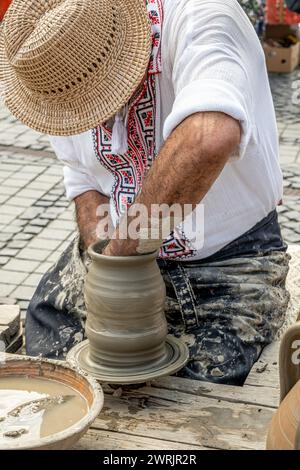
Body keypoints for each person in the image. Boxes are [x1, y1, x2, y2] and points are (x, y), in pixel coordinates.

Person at [0, 0, 290, 385]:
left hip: (229, 259)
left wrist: (124, 253)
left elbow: (210, 135)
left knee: (194, 399)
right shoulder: (54, 74)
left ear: (122, 46)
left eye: (94, 95)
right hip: (115, 244)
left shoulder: (202, 17)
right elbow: (82, 178)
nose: (89, 115)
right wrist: (102, 253)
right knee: (48, 344)